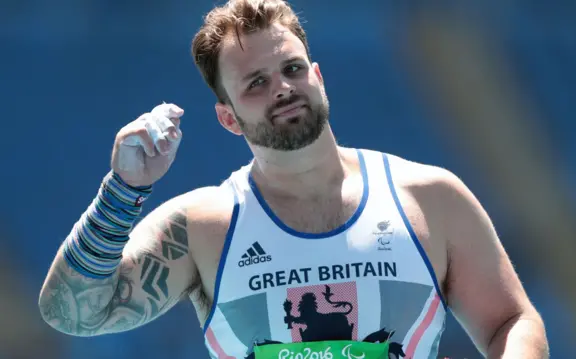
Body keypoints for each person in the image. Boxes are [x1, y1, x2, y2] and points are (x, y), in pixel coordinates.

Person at [38, 0, 549, 358]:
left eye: (292, 68)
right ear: (228, 118)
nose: (282, 88)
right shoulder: (203, 226)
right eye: (256, 83)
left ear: (318, 76)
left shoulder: (430, 197)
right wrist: (122, 191)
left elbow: (512, 321)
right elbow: (73, 314)